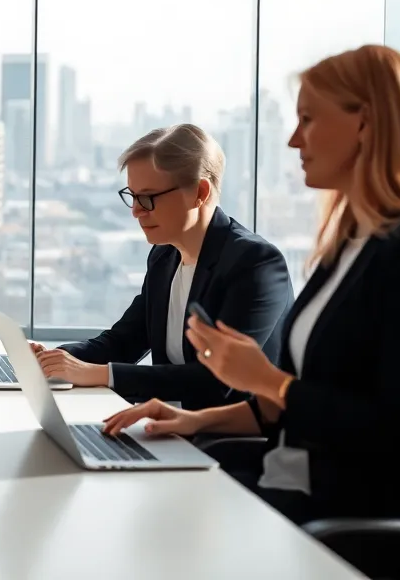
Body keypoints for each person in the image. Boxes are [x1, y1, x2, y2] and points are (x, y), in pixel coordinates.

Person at [105, 45, 400, 526]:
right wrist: (196, 421)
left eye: (308, 119)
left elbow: (396, 431)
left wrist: (264, 378)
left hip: (363, 514)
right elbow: (305, 399)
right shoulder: (352, 241)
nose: (293, 140)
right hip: (298, 481)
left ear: (364, 123)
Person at [30, 125, 292, 409]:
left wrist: (99, 374)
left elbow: (218, 381)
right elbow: (123, 342)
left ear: (200, 192)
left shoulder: (255, 264)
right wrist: (53, 358)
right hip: (170, 429)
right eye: (132, 196)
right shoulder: (164, 256)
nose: (136, 211)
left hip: (231, 442)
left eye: (148, 198)